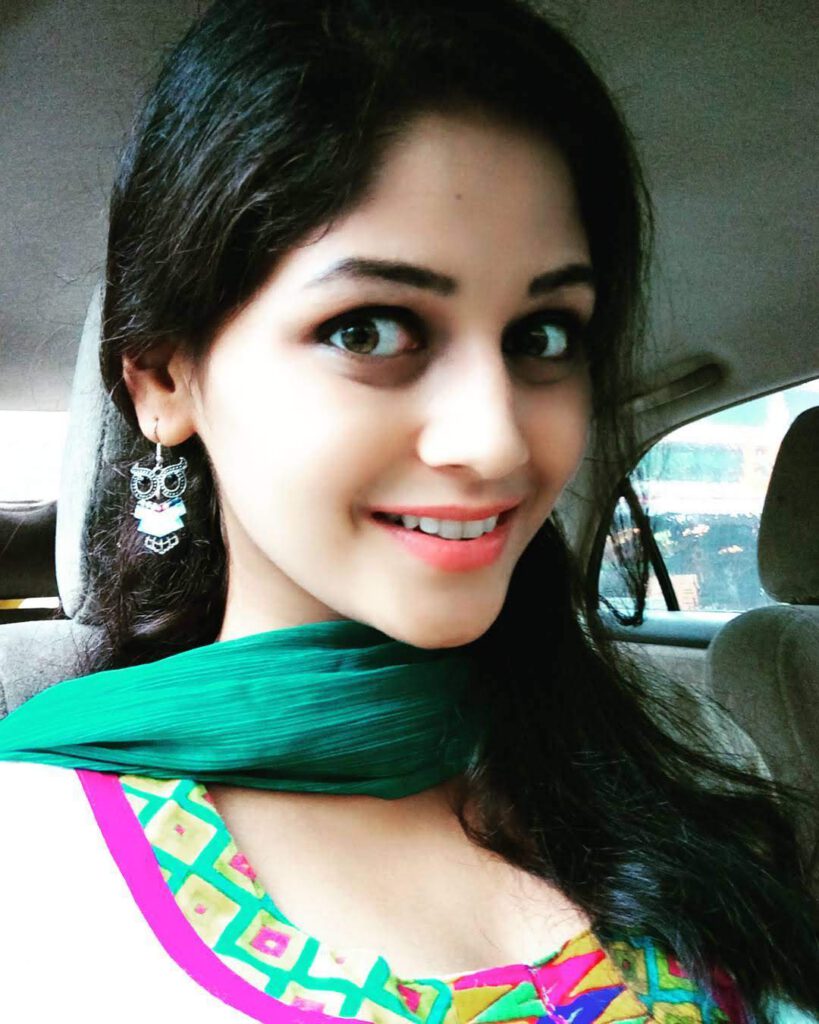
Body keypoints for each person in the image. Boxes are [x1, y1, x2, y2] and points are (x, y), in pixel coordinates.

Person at [0, 0, 816, 1021]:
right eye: (370, 329)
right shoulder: (33, 861)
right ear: (165, 379)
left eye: (543, 336)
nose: (497, 440)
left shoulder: (682, 766)